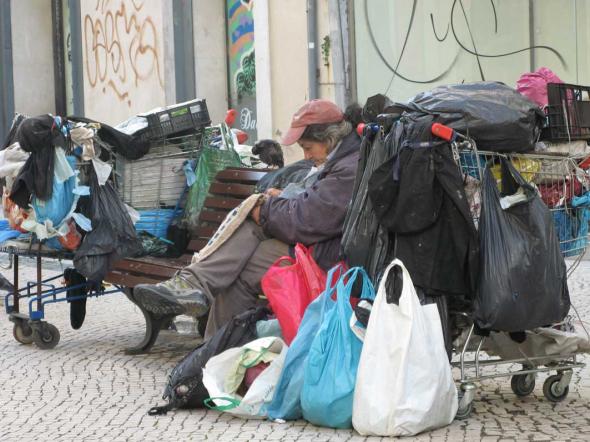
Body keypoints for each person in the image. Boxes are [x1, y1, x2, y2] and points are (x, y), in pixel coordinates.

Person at [133, 99, 362, 339]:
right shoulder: (340, 159)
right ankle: (208, 338)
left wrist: (264, 209)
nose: (305, 155)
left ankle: (202, 319)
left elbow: (306, 221)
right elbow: (316, 206)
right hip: (318, 243)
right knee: (239, 263)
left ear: (329, 139)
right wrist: (281, 199)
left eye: (308, 147)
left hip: (328, 256)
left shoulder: (347, 167)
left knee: (244, 254)